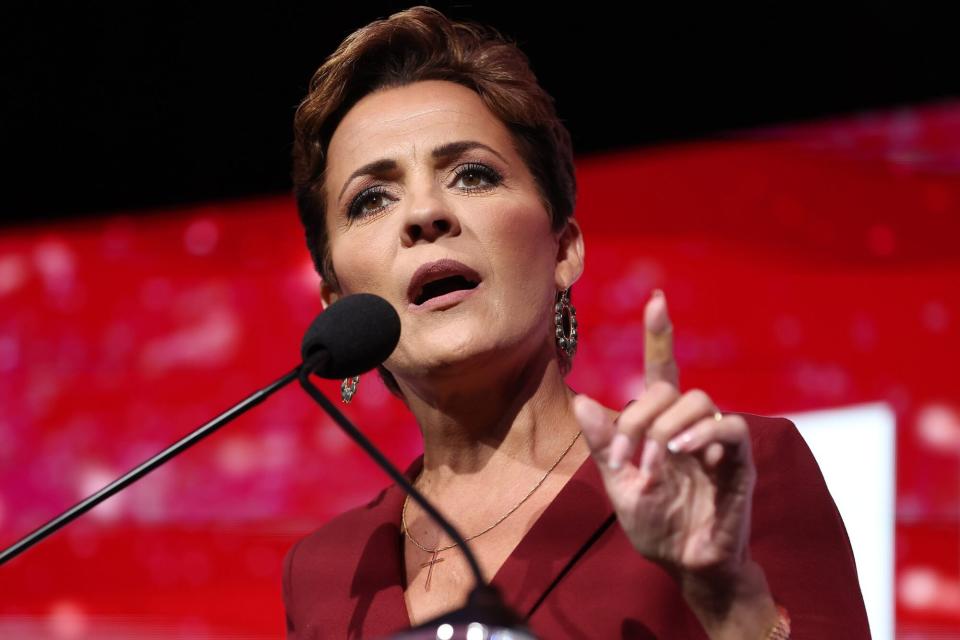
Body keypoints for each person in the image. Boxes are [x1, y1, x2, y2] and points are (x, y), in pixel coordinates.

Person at [282, 6, 872, 639]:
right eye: (371, 199)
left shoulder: (728, 476)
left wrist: (728, 600)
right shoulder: (327, 571)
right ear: (336, 300)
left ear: (563, 250)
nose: (424, 213)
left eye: (472, 174)